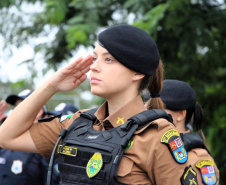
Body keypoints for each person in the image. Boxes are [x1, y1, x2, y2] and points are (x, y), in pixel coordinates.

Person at [0, 25, 198, 185]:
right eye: (95, 58)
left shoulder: (157, 136)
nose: (94, 66)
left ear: (137, 73)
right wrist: (51, 86)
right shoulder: (77, 124)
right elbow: (6, 137)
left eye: (108, 59)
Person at [147, 79, 219, 185]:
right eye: (148, 110)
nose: (149, 116)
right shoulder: (150, 146)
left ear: (180, 114)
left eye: (157, 110)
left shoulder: (198, 159)